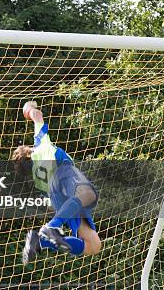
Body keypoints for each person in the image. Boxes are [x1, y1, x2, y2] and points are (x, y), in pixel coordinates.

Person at [12, 101, 101, 265]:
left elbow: (54, 202)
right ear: (28, 151)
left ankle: (40, 241)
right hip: (63, 173)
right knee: (88, 194)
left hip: (59, 197)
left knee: (93, 245)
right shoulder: (39, 145)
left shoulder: (38, 180)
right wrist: (29, 109)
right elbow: (37, 116)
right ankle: (51, 227)